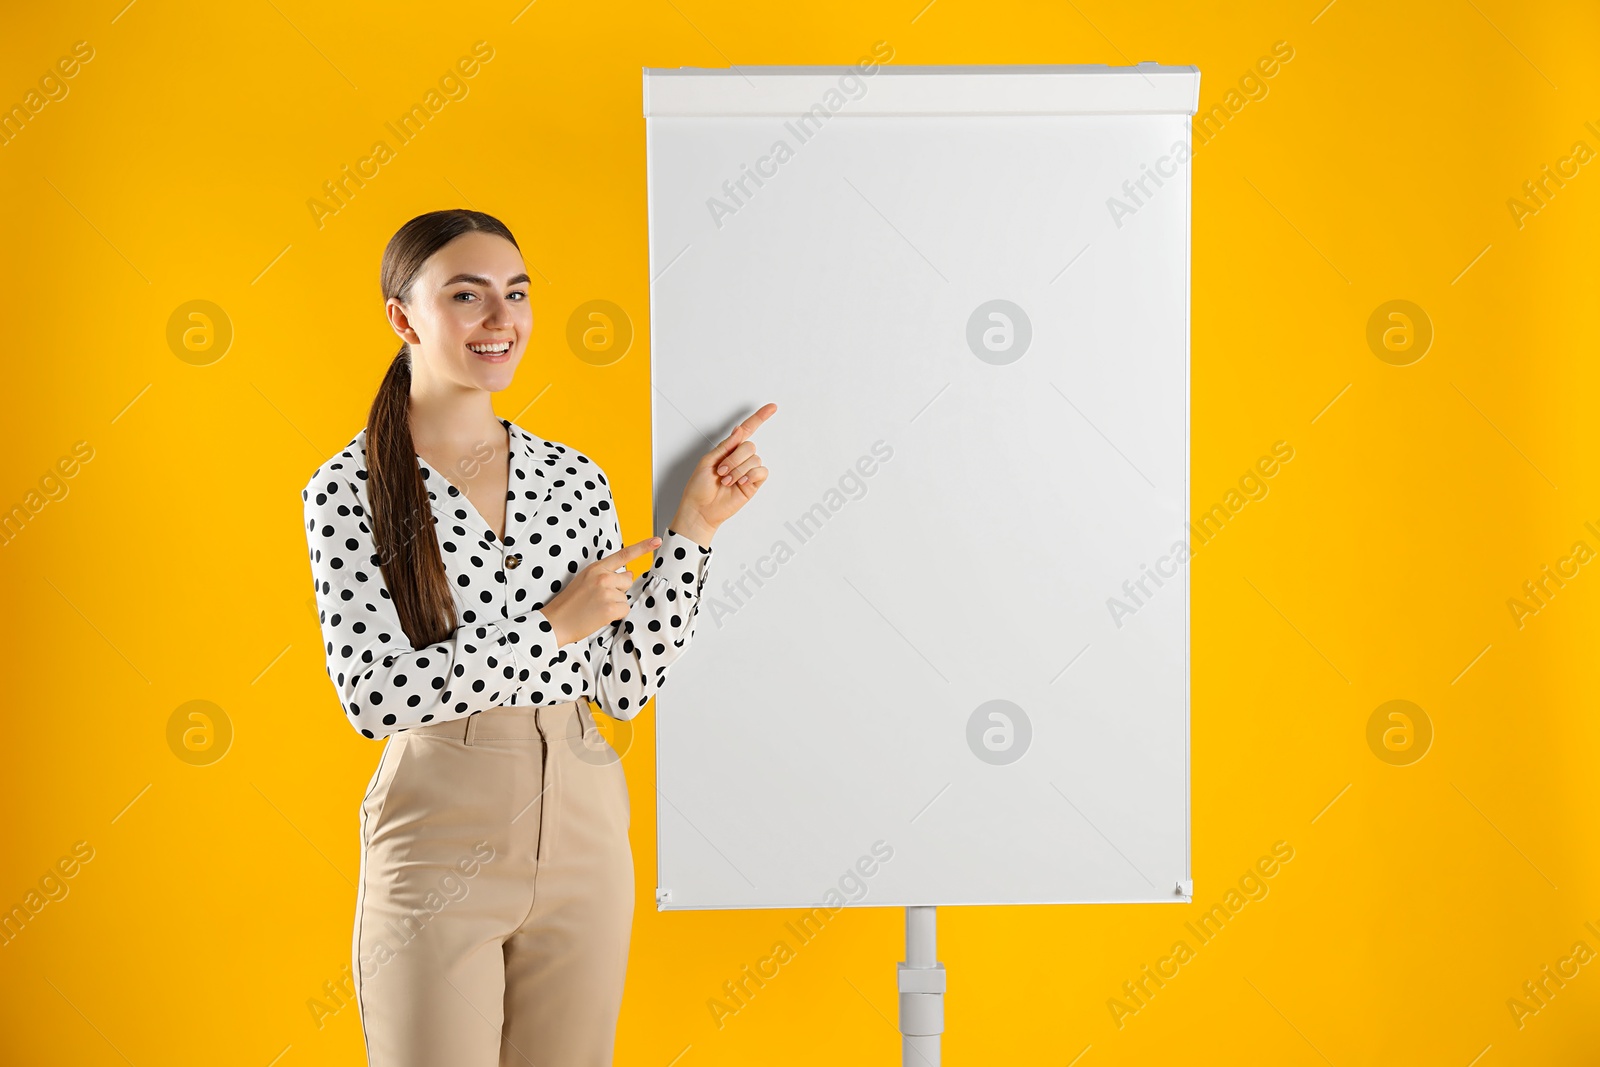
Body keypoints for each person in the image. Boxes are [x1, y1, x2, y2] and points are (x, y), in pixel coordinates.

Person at [299, 208, 774, 1066]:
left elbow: (623, 681)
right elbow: (375, 694)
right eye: (468, 295)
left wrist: (694, 532)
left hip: (586, 825)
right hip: (438, 826)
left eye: (516, 295)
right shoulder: (347, 489)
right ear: (403, 318)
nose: (501, 319)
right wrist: (553, 627)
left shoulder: (573, 475)